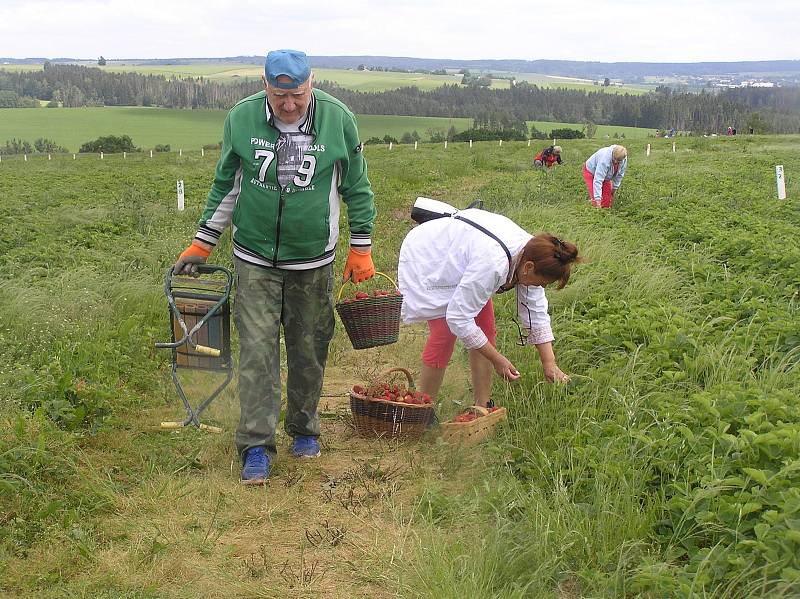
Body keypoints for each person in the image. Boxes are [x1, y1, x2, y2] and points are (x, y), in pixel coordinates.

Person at [173, 49, 376, 485]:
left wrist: (361, 246)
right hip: (255, 258)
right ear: (265, 85)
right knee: (257, 353)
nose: (287, 105)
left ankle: (304, 429)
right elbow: (227, 184)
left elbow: (357, 187)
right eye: (279, 95)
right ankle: (256, 446)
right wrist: (202, 242)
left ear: (312, 84)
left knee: (308, 349)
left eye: (297, 96)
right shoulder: (242, 119)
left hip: (314, 260)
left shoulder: (338, 119)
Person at [398, 201, 579, 408]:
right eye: (541, 283)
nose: (540, 287)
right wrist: (497, 359)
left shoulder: (536, 255)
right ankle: (423, 408)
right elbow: (458, 318)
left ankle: (482, 407)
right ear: (528, 268)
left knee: (485, 330)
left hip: (467, 258)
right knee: (445, 333)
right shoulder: (493, 264)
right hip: (432, 255)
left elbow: (535, 311)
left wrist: (549, 363)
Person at [583, 144, 627, 208]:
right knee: (596, 201)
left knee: (606, 203)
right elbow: (598, 180)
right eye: (614, 158)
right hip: (591, 172)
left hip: (606, 177)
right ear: (613, 153)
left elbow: (619, 175)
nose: (615, 161)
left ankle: (596, 204)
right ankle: (592, 207)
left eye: (618, 160)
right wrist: (598, 201)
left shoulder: (623, 159)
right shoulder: (604, 159)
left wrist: (614, 189)